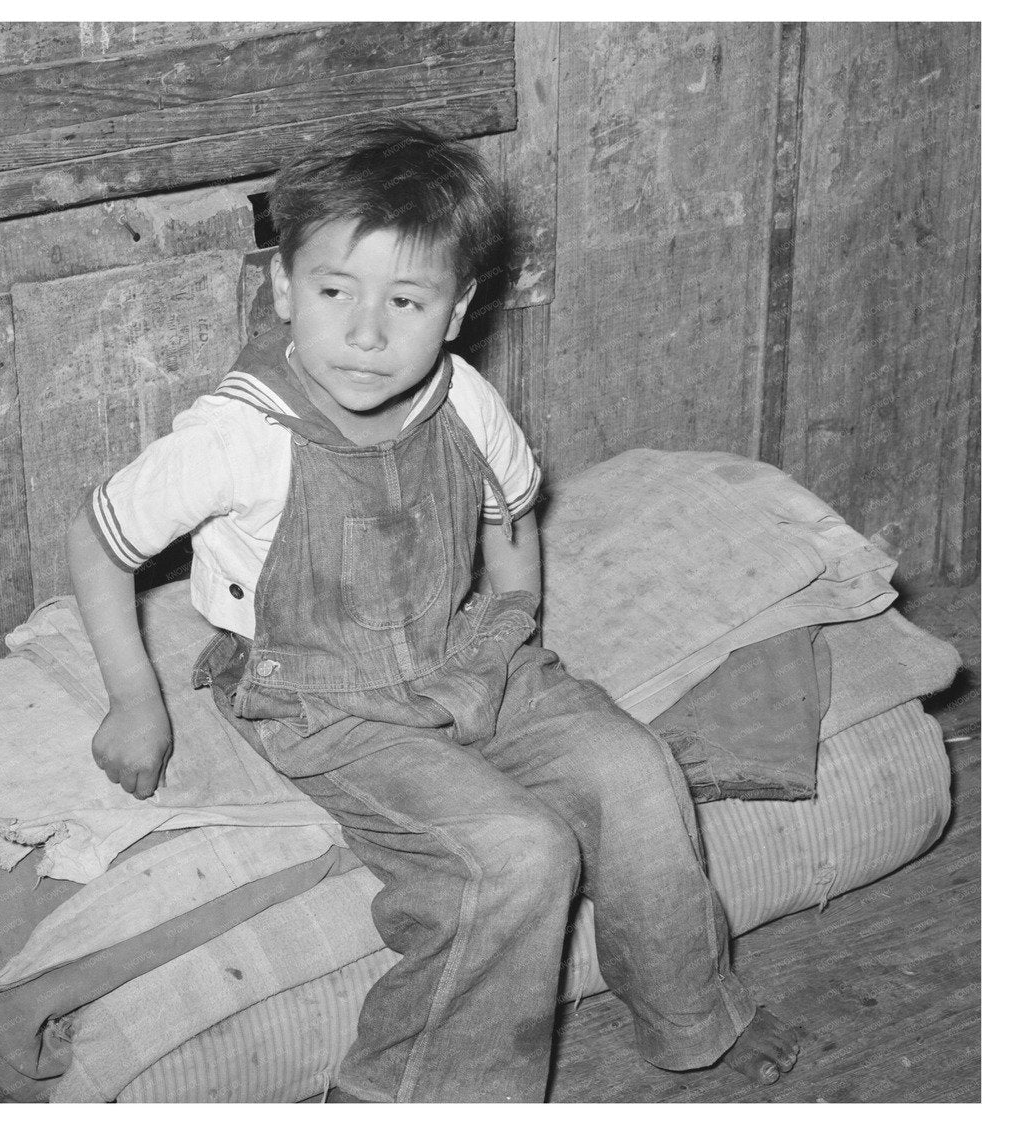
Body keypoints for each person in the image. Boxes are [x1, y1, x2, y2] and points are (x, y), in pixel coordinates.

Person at [65, 117, 800, 1103]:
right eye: (334, 293)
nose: (366, 334)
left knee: (632, 770)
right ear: (285, 290)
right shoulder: (236, 439)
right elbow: (99, 537)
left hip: (460, 649)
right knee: (513, 856)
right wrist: (133, 700)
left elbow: (509, 516)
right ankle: (399, 1092)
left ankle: (692, 1014)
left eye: (406, 301)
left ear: (456, 311)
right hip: (323, 696)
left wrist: (511, 619)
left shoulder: (463, 399)